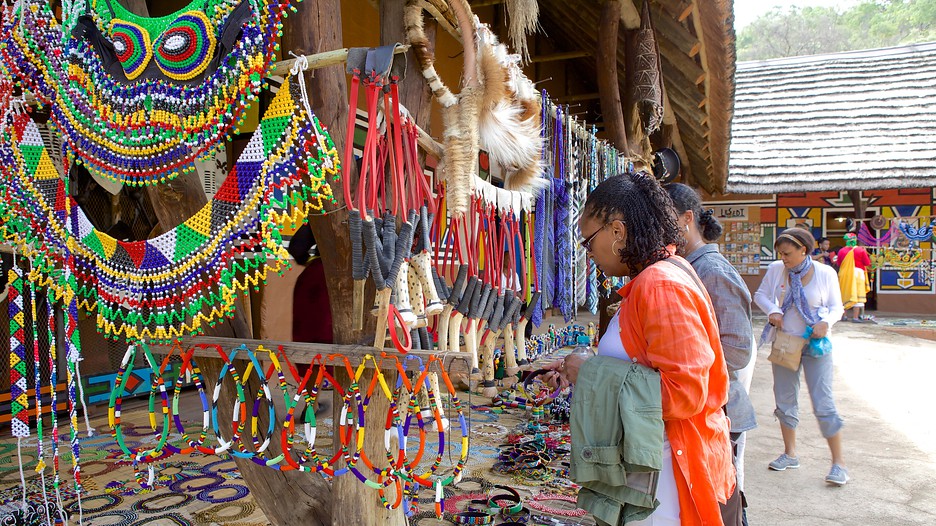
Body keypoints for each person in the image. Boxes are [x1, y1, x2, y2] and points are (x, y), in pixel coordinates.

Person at [549, 172, 735, 525]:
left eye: (588, 242)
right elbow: (643, 361)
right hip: (655, 468)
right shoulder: (663, 274)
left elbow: (685, 392)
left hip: (664, 479)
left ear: (617, 232)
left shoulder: (660, 283)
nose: (588, 255)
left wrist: (590, 374)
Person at [665, 183, 754, 526]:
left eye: (664, 221)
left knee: (721, 503)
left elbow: (736, 350)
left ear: (687, 219)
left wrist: (682, 373)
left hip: (719, 409)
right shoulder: (690, 267)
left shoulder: (712, 272)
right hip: (705, 405)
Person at [754, 227, 848, 486]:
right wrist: (773, 311)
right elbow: (760, 295)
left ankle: (838, 464)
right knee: (784, 400)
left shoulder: (825, 273)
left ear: (804, 250)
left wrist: (826, 322)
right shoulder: (776, 270)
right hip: (785, 343)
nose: (783, 258)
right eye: (781, 254)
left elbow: (836, 307)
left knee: (823, 402)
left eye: (787, 254)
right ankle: (790, 453)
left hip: (816, 345)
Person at [836, 232, 871, 322]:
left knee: (844, 294)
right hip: (858, 274)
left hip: (845, 274)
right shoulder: (861, 250)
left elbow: (839, 263)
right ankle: (855, 317)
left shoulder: (841, 251)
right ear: (855, 240)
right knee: (858, 295)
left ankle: (844, 316)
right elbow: (867, 263)